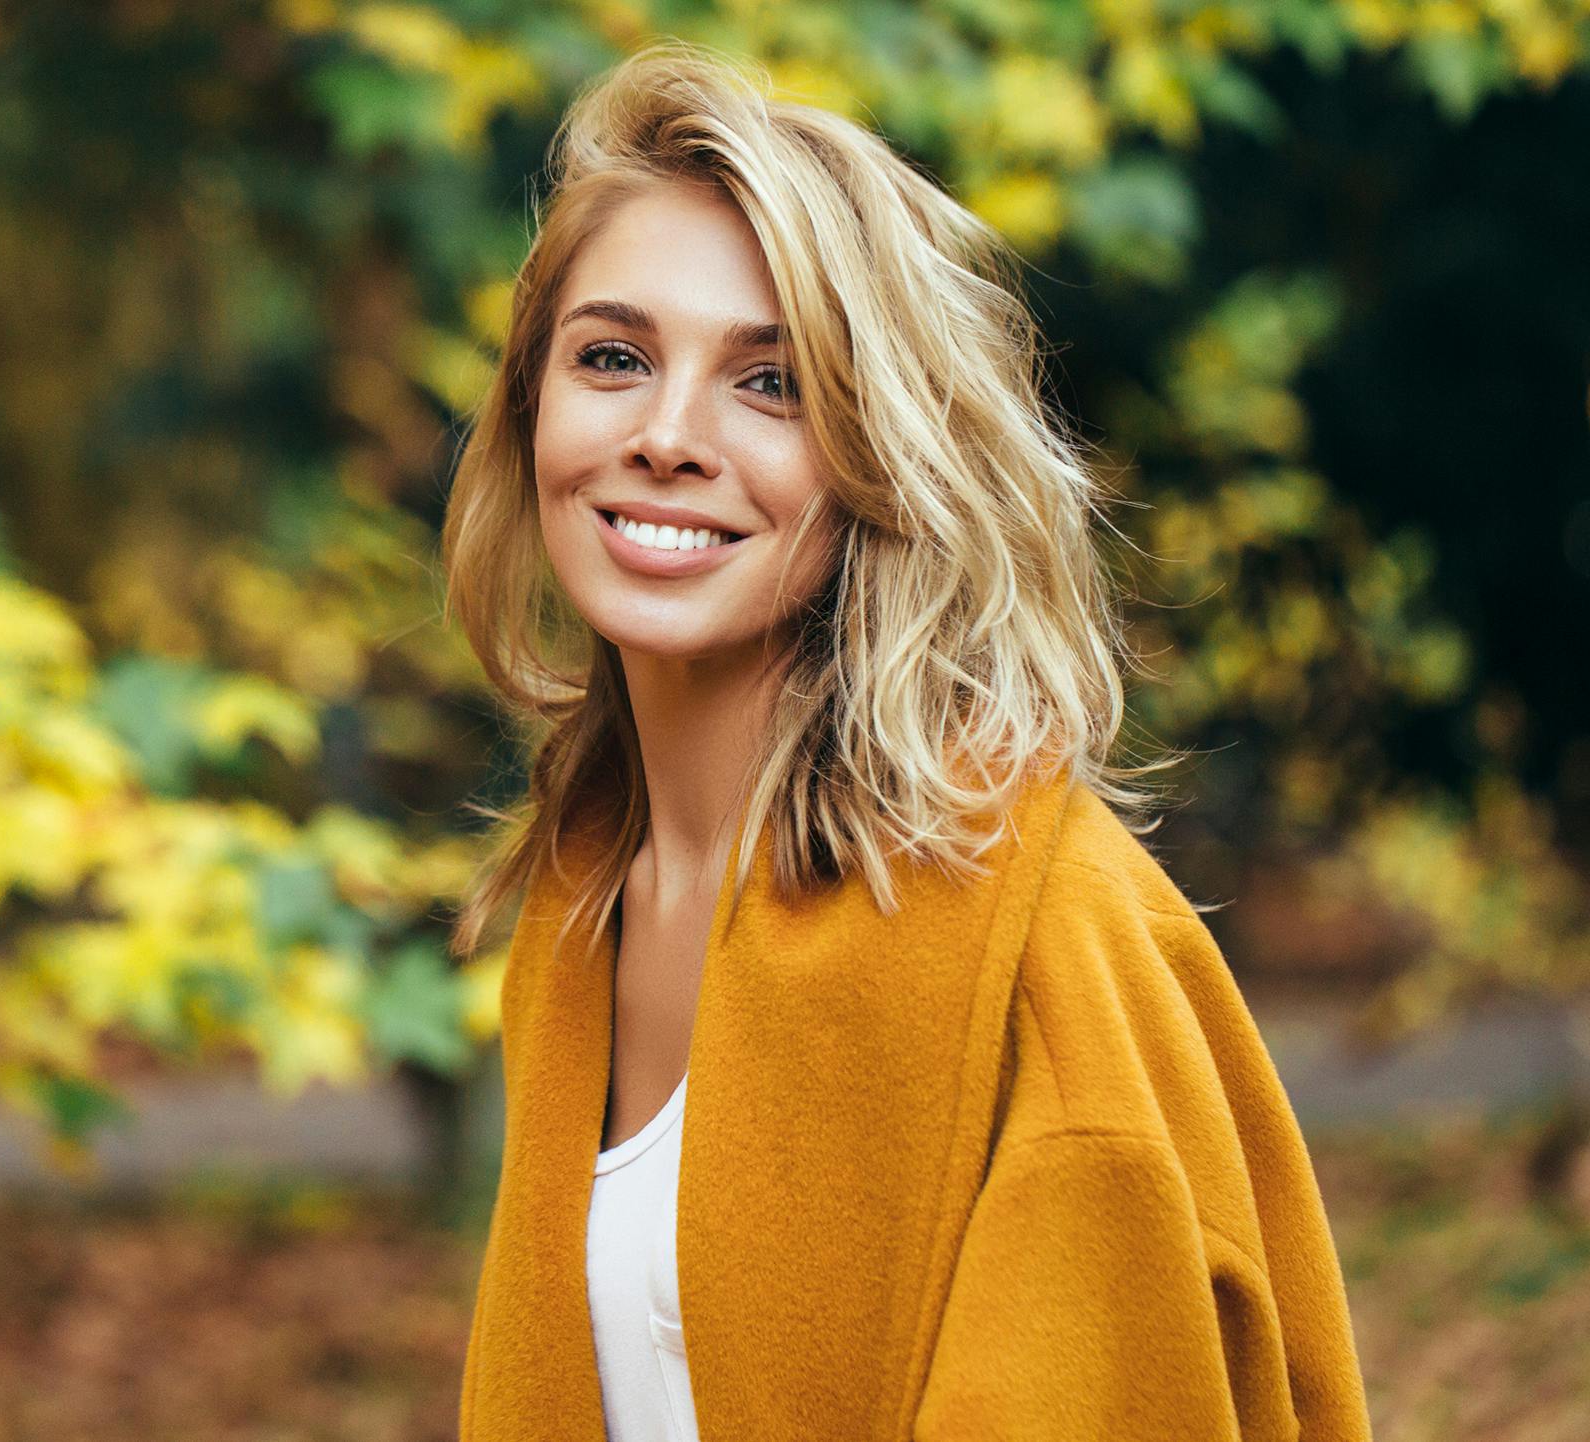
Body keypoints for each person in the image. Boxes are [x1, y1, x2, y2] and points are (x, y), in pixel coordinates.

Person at [439, 38, 1375, 1442]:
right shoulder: (578, 913)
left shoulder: (1038, 934)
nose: (668, 434)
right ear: (528, 413)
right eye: (613, 357)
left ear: (882, 452)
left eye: (772, 383)